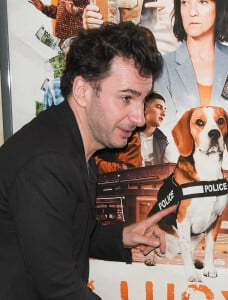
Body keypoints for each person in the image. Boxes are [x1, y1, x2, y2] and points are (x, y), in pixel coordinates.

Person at [0, 22, 176, 300]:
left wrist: (123, 236)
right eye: (126, 98)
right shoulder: (47, 163)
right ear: (82, 91)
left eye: (142, 101)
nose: (140, 118)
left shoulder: (77, 143)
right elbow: (59, 288)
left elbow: (69, 235)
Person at [153, 0, 228, 136]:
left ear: (220, 7)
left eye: (203, 2)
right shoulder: (162, 67)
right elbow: (165, 132)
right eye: (185, 2)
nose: (192, 12)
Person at [95, 91, 169, 173]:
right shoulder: (123, 132)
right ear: (144, 108)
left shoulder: (162, 141)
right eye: (159, 107)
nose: (163, 113)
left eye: (165, 109)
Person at [43, 36, 76, 110]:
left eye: (71, 57)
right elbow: (46, 119)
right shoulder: (53, 86)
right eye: (64, 57)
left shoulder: (93, 83)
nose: (66, 61)